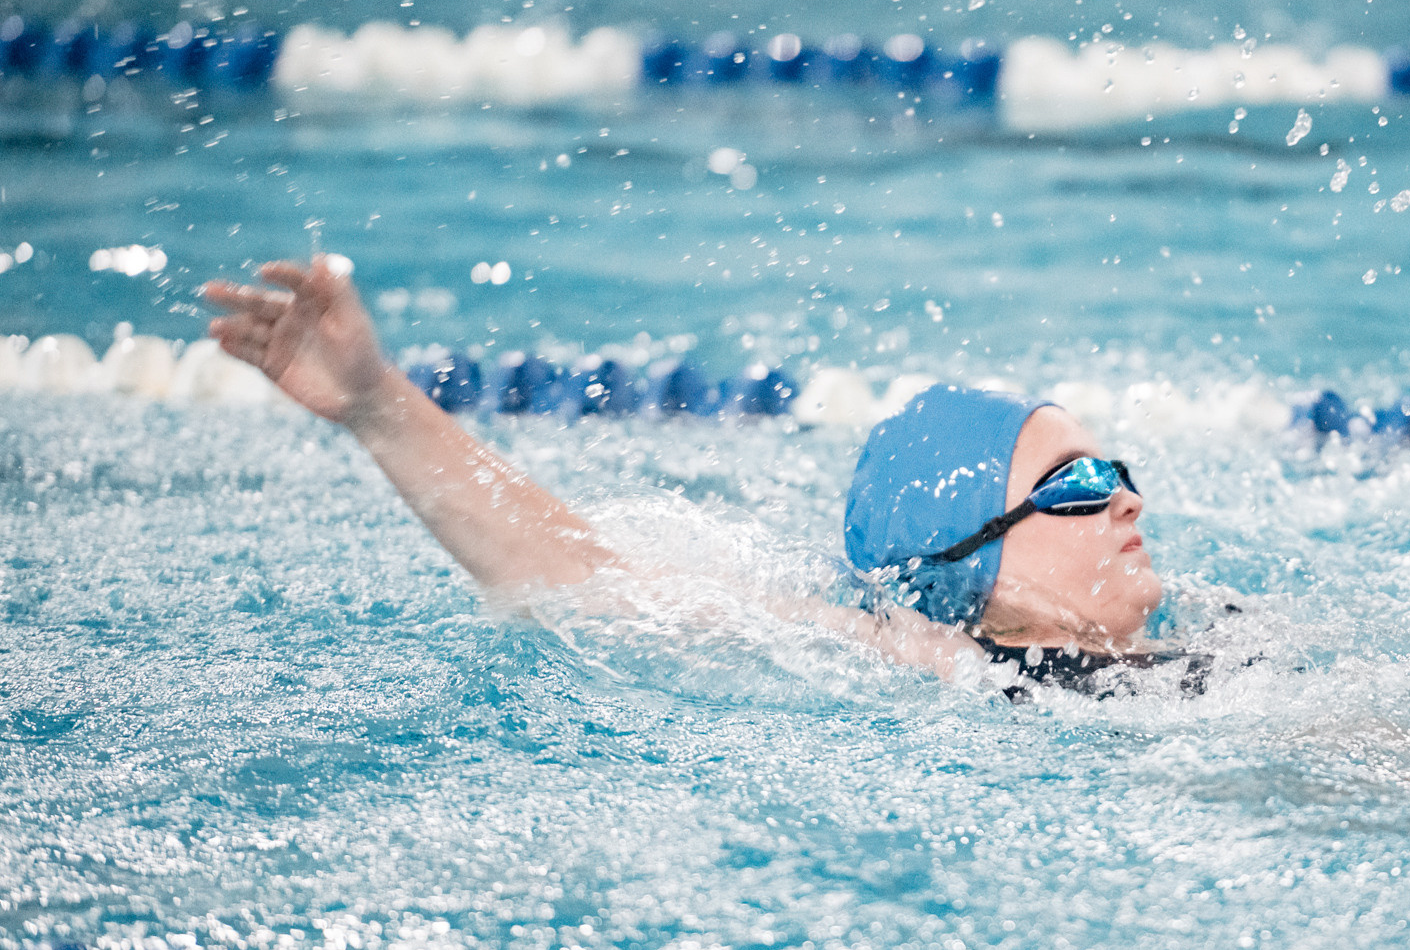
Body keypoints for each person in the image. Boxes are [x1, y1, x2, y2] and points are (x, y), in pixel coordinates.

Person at [201, 255, 1170, 693]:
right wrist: (380, 405)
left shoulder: (1206, 635)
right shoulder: (939, 664)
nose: (1124, 495)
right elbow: (579, 581)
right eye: (1074, 483)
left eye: (1111, 468)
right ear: (971, 560)